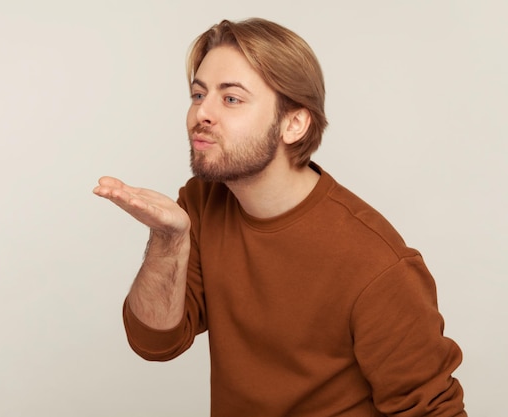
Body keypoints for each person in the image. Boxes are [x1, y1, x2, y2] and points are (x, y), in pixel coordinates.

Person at [93, 17, 467, 417]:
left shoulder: (377, 265)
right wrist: (168, 238)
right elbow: (154, 343)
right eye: (198, 94)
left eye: (231, 98)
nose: (202, 113)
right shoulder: (203, 202)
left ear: (293, 123)